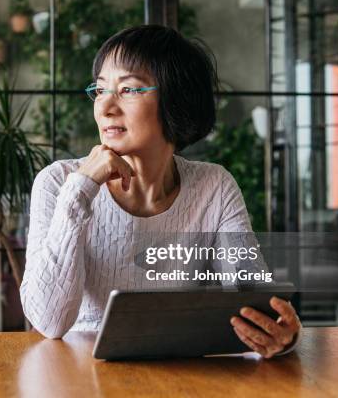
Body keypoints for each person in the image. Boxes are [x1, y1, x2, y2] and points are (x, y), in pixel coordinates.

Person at [20, 25, 301, 358]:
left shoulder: (214, 186)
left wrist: (279, 334)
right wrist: (81, 188)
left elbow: (249, 293)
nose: (106, 106)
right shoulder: (59, 182)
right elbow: (49, 322)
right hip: (78, 378)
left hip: (180, 376)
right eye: (100, 89)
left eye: (128, 89)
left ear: (175, 99)